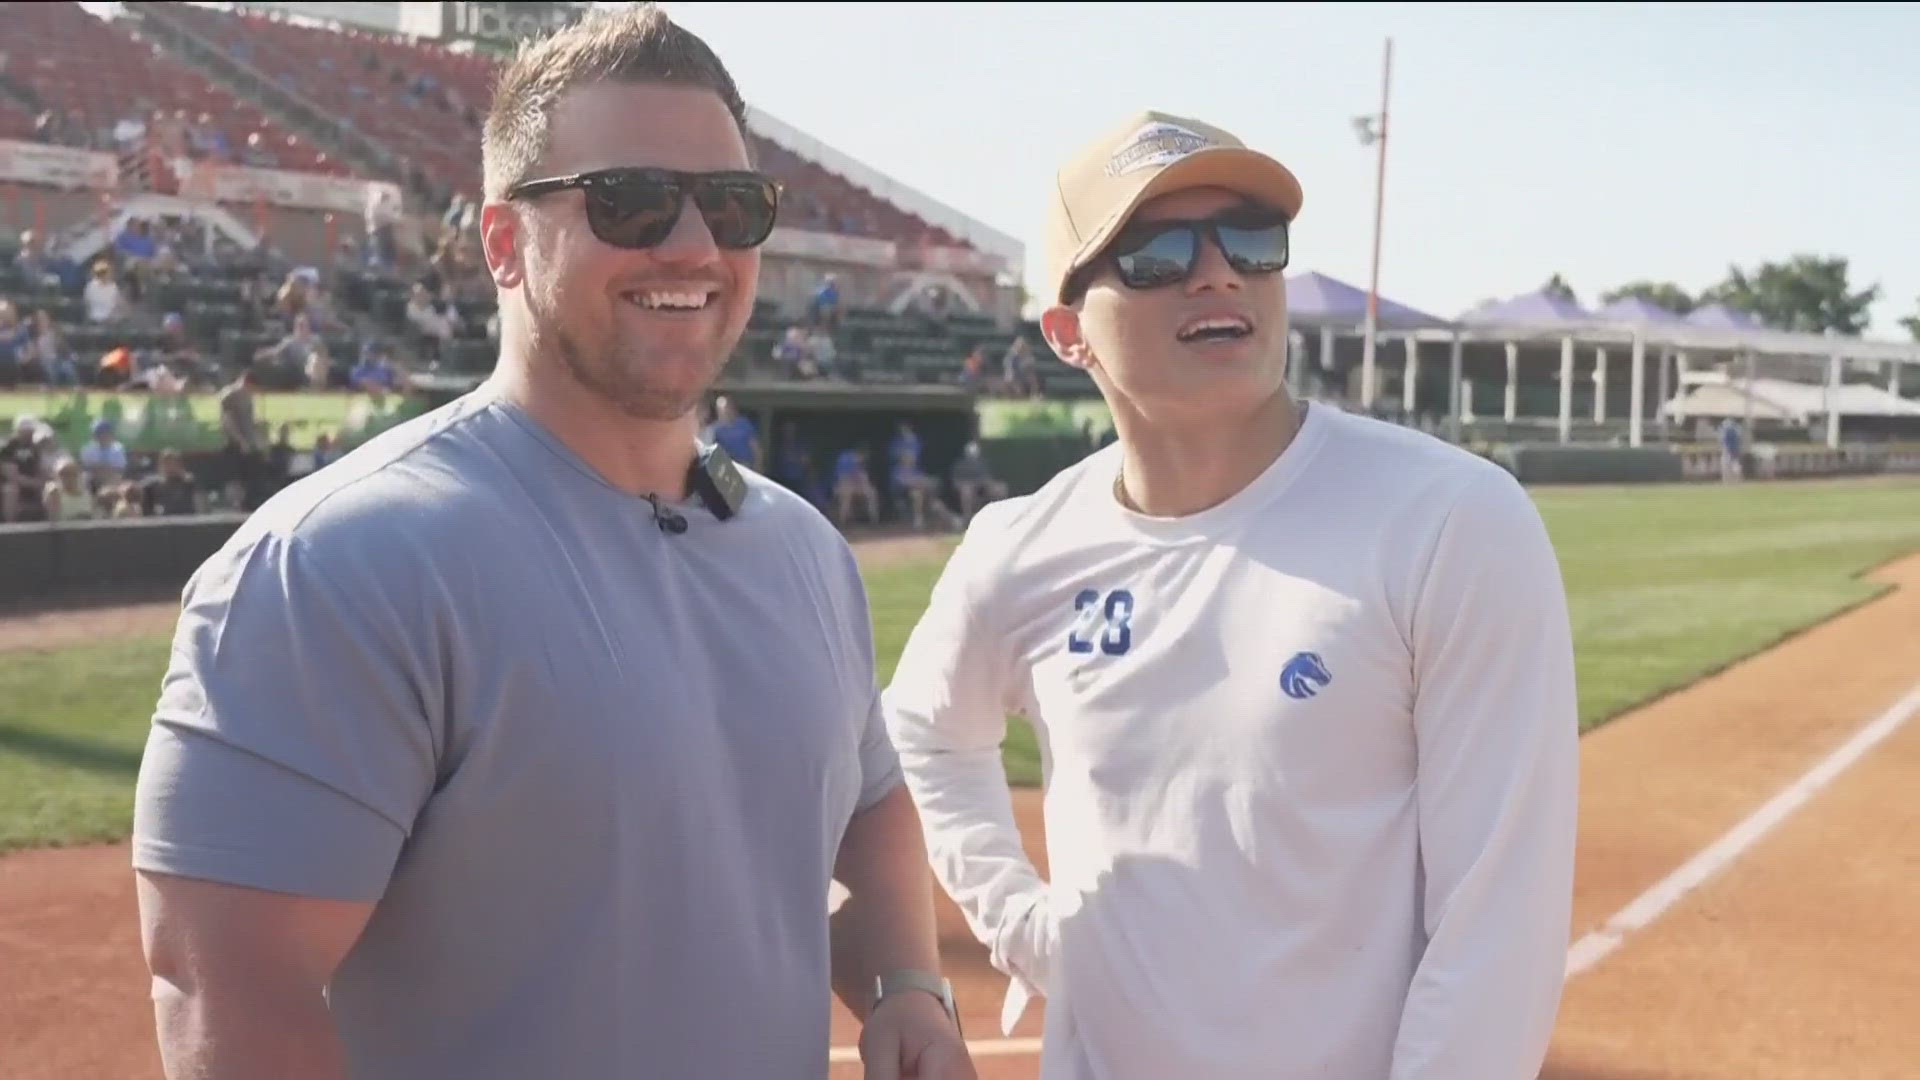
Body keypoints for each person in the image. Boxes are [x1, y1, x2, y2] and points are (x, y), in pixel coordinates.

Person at [130, 8, 974, 1080]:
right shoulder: (337, 564)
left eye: (731, 205)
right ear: (501, 243)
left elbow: (868, 801)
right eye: (629, 202)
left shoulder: (801, 548)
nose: (692, 245)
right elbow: (229, 992)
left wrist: (906, 985)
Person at [882, 110, 1580, 1079]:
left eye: (1253, 242)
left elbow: (1498, 926)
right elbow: (923, 727)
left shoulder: (1451, 520)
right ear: (1067, 332)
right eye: (1158, 252)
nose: (1219, 272)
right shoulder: (1019, 547)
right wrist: (1019, 922)